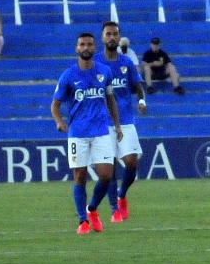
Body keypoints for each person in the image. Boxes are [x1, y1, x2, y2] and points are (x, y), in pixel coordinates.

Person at [51, 33, 123, 234]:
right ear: (76, 48)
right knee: (80, 176)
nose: (86, 47)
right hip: (78, 133)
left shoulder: (105, 71)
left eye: (89, 44)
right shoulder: (68, 76)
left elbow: (111, 100)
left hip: (101, 131)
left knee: (106, 176)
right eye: (82, 44)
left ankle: (92, 209)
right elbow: (55, 105)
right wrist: (59, 121)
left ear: (94, 47)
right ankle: (82, 221)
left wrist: (117, 125)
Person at [97, 21, 148, 223]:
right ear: (102, 37)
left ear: (119, 38)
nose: (111, 37)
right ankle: (114, 209)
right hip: (103, 123)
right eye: (108, 34)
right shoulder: (95, 63)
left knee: (131, 162)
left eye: (115, 34)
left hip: (126, 120)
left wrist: (142, 101)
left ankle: (122, 194)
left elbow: (138, 85)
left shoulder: (126, 62)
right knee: (108, 169)